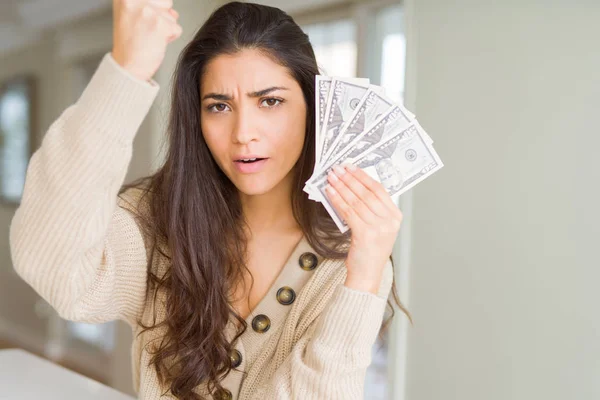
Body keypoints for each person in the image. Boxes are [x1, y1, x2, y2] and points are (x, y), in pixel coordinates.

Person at [9, 1, 408, 399]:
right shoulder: (156, 221)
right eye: (219, 106)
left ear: (314, 108)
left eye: (270, 101)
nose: (243, 133)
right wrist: (125, 73)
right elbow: (56, 269)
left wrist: (364, 277)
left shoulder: (351, 256)